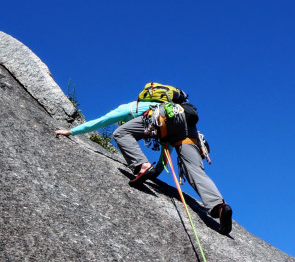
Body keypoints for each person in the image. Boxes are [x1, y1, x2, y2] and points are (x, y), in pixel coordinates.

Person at [53, 89, 233, 234]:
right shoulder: (177, 108)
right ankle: (219, 207)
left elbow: (102, 121)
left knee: (121, 133)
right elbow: (168, 150)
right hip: (189, 129)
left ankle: (141, 166)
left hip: (164, 116)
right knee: (194, 169)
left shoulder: (132, 107)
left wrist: (72, 132)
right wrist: (157, 172)